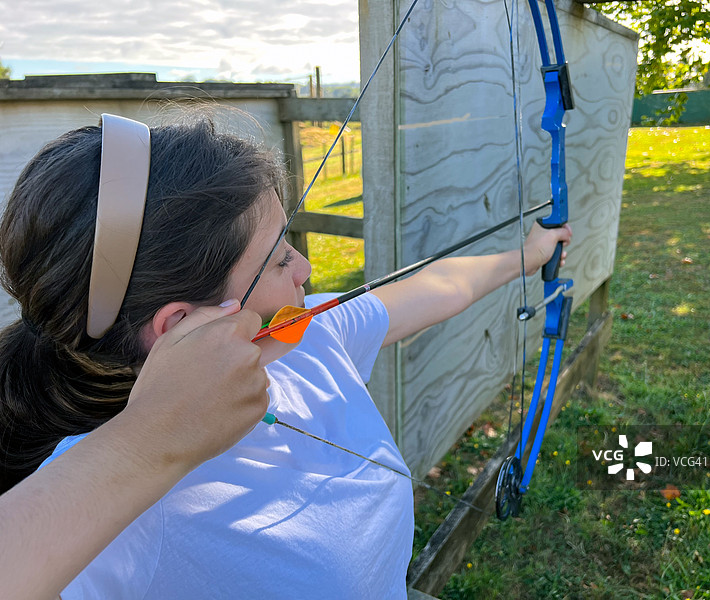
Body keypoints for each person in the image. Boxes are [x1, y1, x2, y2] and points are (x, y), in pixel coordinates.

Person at [0, 113, 571, 599]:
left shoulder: (298, 339)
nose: (306, 268)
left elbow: (438, 287)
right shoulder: (108, 502)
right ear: (182, 326)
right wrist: (150, 441)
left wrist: (527, 256)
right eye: (277, 260)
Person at [0, 300, 287, 600]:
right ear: (178, 323)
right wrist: (156, 428)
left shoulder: (294, 340)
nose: (302, 275)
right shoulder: (134, 531)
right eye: (279, 270)